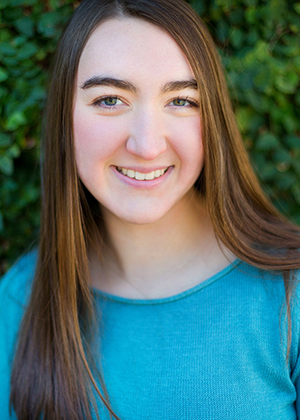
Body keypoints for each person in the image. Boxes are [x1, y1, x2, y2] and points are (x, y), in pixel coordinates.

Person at [0, 0, 300, 419]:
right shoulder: (22, 298)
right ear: (64, 119)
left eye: (181, 100)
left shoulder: (289, 292)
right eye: (109, 100)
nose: (147, 145)